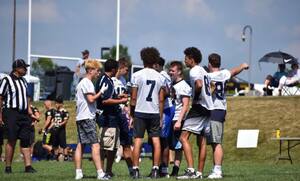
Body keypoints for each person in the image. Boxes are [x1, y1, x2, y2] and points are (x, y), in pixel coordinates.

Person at [206, 53, 249, 179]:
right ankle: (215, 169)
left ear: (209, 64)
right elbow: (235, 71)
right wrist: (243, 65)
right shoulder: (224, 73)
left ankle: (218, 170)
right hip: (221, 109)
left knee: (216, 142)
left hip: (215, 109)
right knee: (215, 142)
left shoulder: (208, 76)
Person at [177, 47, 214, 179]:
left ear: (192, 59)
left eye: (186, 58)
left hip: (199, 107)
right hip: (209, 108)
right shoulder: (204, 71)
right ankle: (199, 172)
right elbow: (210, 86)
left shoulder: (194, 71)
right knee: (202, 141)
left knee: (183, 137)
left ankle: (191, 171)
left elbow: (198, 85)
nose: (184, 60)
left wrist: (196, 97)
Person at [130, 47, 165, 179]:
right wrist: (160, 116)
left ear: (143, 58)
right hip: (154, 111)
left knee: (138, 140)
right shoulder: (159, 77)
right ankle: (156, 169)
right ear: (155, 60)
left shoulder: (137, 75)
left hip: (140, 111)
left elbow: (133, 98)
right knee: (156, 140)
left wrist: (132, 114)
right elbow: (161, 99)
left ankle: (136, 170)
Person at [0, 59, 36, 173]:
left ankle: (28, 166)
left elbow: (27, 97)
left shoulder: (24, 81)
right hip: (11, 112)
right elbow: (0, 97)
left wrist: (29, 110)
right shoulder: (6, 80)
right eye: (24, 67)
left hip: (24, 114)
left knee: (26, 140)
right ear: (17, 68)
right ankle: (8, 167)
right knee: (11, 140)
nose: (26, 69)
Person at [74, 59, 108, 180]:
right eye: (97, 70)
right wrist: (101, 92)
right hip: (87, 118)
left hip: (81, 117)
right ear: (90, 70)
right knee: (95, 145)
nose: (98, 73)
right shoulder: (87, 82)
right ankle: (100, 173)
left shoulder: (81, 83)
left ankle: (78, 172)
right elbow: (91, 99)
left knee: (80, 145)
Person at [95, 59, 128, 178]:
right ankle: (103, 171)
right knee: (105, 145)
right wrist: (121, 100)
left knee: (113, 146)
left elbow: (108, 96)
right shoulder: (106, 80)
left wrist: (118, 96)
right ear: (113, 69)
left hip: (112, 117)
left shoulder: (107, 79)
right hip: (106, 117)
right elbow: (105, 100)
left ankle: (108, 170)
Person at [168, 61, 192, 177]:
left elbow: (185, 105)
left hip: (178, 118)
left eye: (172, 70)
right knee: (172, 145)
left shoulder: (183, 86)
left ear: (179, 71)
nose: (170, 72)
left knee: (178, 146)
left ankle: (176, 169)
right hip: (171, 117)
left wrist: (179, 121)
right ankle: (169, 169)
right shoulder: (172, 84)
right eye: (170, 70)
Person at [153, 57, 175, 178]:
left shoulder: (161, 75)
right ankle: (161, 167)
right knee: (160, 139)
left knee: (163, 139)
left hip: (166, 109)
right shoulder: (164, 74)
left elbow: (166, 92)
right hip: (163, 109)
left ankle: (164, 169)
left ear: (157, 65)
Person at [111, 57, 134, 176]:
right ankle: (107, 171)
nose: (127, 72)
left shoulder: (124, 80)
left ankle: (132, 171)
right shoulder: (110, 80)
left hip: (122, 115)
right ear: (120, 68)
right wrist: (118, 97)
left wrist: (128, 108)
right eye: (126, 69)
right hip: (112, 115)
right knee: (110, 146)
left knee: (126, 143)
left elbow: (126, 100)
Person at [50, 96, 69, 161]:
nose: (56, 105)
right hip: (55, 130)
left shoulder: (64, 111)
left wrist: (59, 124)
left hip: (61, 130)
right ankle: (55, 157)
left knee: (63, 144)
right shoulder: (54, 111)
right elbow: (53, 120)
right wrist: (51, 127)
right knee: (55, 144)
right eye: (55, 103)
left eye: (57, 103)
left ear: (61, 104)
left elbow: (65, 121)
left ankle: (66, 156)